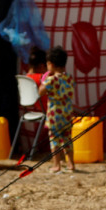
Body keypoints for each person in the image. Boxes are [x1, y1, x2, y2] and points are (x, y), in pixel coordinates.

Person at [39, 45, 76, 173]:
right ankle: (71, 164)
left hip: (54, 115)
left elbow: (41, 92)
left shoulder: (51, 80)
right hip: (67, 114)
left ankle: (57, 164)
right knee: (67, 139)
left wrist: (44, 80)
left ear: (50, 64)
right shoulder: (69, 78)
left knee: (54, 139)